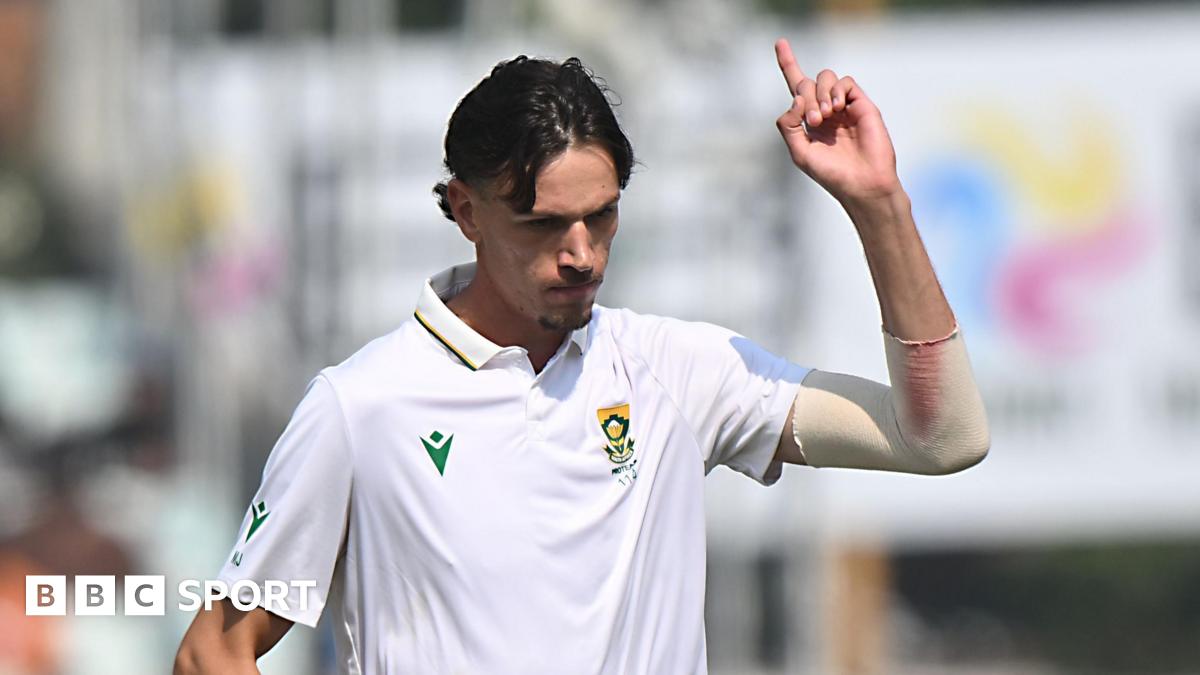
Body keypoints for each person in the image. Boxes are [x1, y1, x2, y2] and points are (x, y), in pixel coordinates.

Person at [174, 39, 990, 674]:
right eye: (541, 224)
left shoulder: (673, 370)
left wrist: (880, 206)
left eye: (601, 217)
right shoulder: (362, 406)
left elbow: (940, 438)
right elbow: (216, 645)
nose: (581, 254)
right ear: (465, 209)